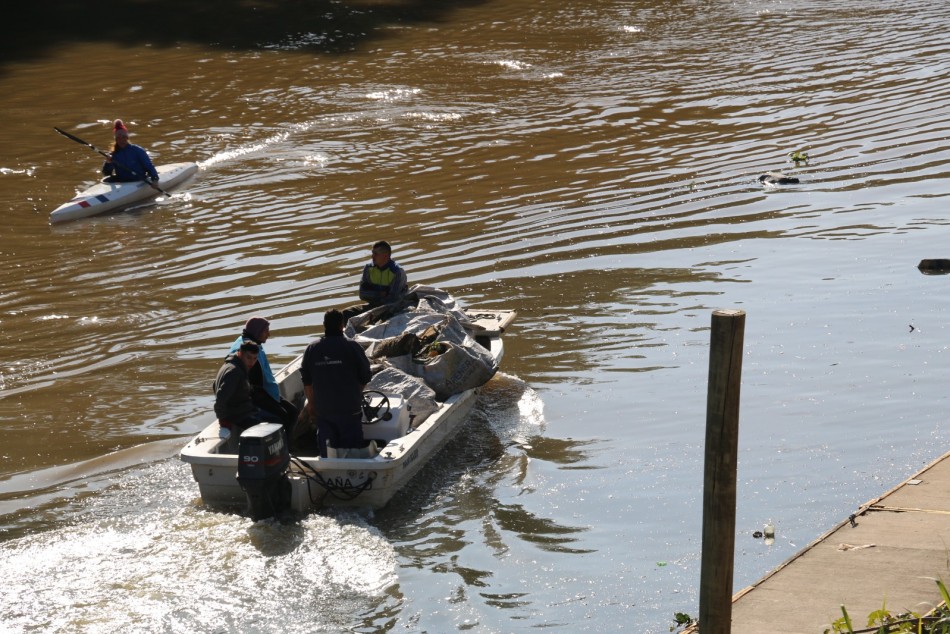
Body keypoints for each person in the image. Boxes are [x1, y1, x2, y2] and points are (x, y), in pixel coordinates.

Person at [300, 309, 372, 457]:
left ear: (324, 325)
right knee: (352, 451)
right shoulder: (352, 347)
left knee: (327, 450)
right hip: (350, 409)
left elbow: (307, 382)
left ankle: (328, 474)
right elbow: (365, 376)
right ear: (342, 326)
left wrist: (312, 405)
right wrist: (355, 394)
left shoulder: (312, 349)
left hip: (323, 410)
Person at [227, 316, 298, 428]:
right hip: (254, 395)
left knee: (293, 412)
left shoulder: (251, 342)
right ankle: (286, 443)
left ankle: (289, 442)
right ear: (257, 332)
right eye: (266, 331)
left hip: (263, 391)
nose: (268, 334)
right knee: (283, 416)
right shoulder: (246, 351)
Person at [213, 340, 284, 436]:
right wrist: (222, 419)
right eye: (249, 358)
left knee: (276, 418)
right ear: (240, 353)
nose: (252, 362)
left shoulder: (233, 364)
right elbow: (220, 398)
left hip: (244, 409)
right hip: (237, 415)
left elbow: (214, 385)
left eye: (255, 359)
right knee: (275, 424)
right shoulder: (234, 371)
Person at [342, 240, 409, 320]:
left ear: (385, 256)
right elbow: (362, 294)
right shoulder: (368, 268)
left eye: (375, 254)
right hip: (373, 307)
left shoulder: (397, 272)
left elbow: (392, 300)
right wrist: (380, 294)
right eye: (372, 253)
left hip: (394, 309)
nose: (372, 256)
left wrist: (372, 294)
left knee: (386, 317)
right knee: (346, 313)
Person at [102, 119, 159, 183]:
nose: (121, 140)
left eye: (123, 137)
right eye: (118, 138)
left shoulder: (137, 150)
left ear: (127, 138)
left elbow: (149, 166)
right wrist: (108, 163)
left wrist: (155, 179)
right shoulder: (113, 154)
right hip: (123, 182)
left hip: (139, 180)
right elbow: (106, 173)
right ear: (116, 140)